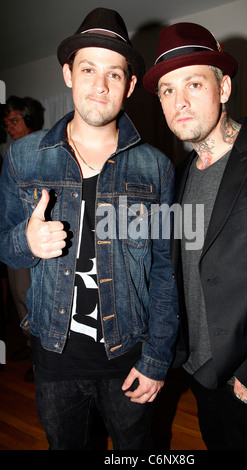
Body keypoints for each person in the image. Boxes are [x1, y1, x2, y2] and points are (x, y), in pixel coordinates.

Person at [0, 8, 178, 450]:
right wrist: (25, 240)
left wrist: (157, 358)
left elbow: (165, 271)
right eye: (88, 69)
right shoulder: (22, 157)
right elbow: (4, 245)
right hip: (54, 357)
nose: (100, 86)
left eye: (114, 74)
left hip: (129, 356)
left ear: (131, 85)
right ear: (68, 74)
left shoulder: (157, 167)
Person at [143, 22, 247, 450]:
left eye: (194, 83)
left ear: (224, 88)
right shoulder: (173, 180)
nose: (180, 102)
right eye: (168, 91)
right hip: (199, 375)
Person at [1, 95, 45, 382]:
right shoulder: (11, 155)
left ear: (28, 120)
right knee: (19, 297)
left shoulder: (41, 151)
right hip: (12, 238)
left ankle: (40, 355)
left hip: (37, 240)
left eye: (14, 121)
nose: (9, 128)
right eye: (6, 123)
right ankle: (30, 348)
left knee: (33, 297)